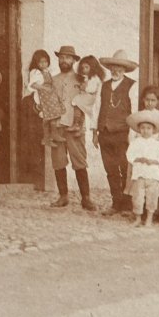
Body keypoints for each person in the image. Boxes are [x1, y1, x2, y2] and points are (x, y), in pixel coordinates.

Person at [92, 49, 138, 215]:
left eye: (120, 67)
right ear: (110, 67)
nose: (116, 70)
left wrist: (131, 136)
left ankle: (128, 205)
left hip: (123, 134)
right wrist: (94, 132)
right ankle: (116, 203)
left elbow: (134, 112)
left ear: (125, 69)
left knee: (125, 169)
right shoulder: (103, 86)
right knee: (110, 170)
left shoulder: (132, 86)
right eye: (113, 67)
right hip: (104, 133)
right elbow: (96, 109)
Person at [50, 45, 95, 211]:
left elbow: (88, 101)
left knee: (80, 161)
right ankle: (63, 196)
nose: (64, 60)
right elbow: (48, 103)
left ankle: (86, 198)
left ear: (74, 60)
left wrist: (80, 122)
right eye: (61, 57)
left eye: (68, 57)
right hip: (57, 125)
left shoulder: (82, 79)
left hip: (75, 127)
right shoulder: (53, 80)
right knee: (58, 162)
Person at [125, 109, 159, 227]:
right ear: (139, 129)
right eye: (143, 128)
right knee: (137, 197)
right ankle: (138, 218)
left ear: (153, 130)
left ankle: (149, 218)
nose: (145, 131)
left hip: (152, 175)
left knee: (151, 197)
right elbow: (129, 155)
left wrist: (153, 161)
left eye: (148, 128)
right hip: (139, 174)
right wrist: (137, 159)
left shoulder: (157, 144)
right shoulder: (135, 142)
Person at [28, 49, 66, 147]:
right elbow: (33, 85)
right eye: (40, 62)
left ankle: (54, 134)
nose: (43, 64)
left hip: (51, 96)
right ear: (36, 63)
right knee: (46, 118)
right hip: (42, 97)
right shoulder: (35, 72)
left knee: (54, 115)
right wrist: (44, 88)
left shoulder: (47, 71)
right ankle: (46, 138)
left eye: (45, 62)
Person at [70, 55, 105, 134]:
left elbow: (92, 89)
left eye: (86, 67)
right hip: (88, 96)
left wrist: (83, 88)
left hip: (93, 98)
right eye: (83, 68)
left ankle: (77, 124)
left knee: (76, 101)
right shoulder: (88, 77)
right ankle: (80, 127)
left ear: (93, 67)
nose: (84, 70)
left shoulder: (95, 78)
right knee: (80, 108)